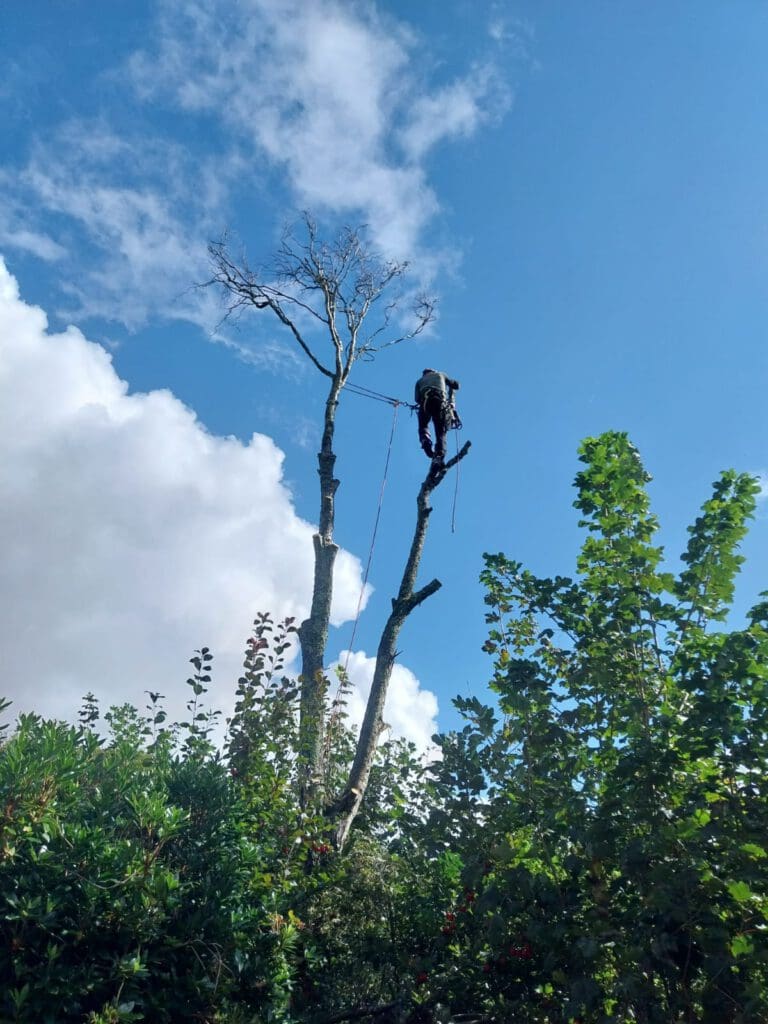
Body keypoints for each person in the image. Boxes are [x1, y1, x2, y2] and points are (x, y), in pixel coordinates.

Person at [414, 368, 460, 463]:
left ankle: (425, 441)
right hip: (439, 402)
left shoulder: (419, 381)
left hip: (425, 404)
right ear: (433, 372)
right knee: (440, 431)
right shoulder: (441, 374)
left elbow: (417, 399)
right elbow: (455, 385)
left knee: (423, 426)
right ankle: (439, 455)